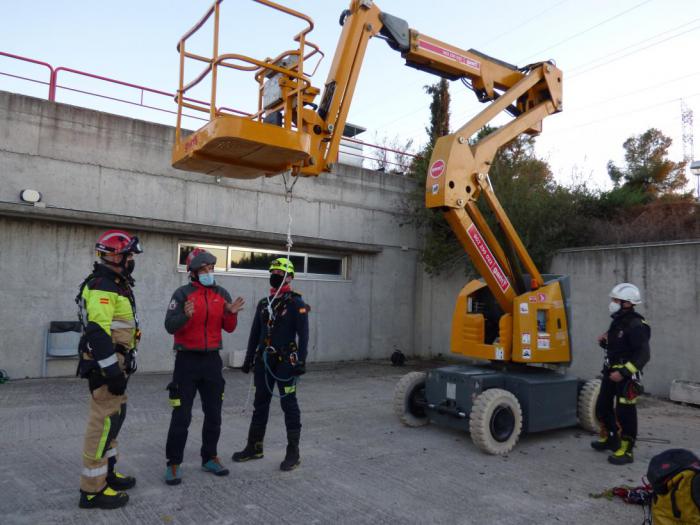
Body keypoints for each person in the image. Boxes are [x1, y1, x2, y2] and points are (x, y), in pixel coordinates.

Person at [163, 248, 245, 485]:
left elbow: (228, 328)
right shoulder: (182, 294)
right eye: (204, 269)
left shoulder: (221, 293)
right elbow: (170, 326)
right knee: (181, 416)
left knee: (214, 415)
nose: (209, 272)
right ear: (193, 272)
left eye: (211, 268)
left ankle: (210, 457)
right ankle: (174, 463)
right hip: (186, 362)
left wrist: (230, 314)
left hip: (212, 362)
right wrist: (185, 316)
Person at [77, 229, 143, 509]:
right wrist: (111, 372)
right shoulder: (104, 285)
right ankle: (92, 490)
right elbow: (98, 332)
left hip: (118, 362)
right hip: (108, 367)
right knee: (102, 424)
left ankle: (108, 473)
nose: (132, 260)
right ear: (117, 255)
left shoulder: (116, 283)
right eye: (129, 255)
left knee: (114, 420)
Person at [232, 257, 309, 471]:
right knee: (260, 404)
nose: (274, 276)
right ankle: (254, 446)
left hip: (286, 363)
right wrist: (248, 358)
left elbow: (304, 335)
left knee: (289, 405)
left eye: (279, 273)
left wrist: (301, 360)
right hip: (264, 362)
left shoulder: (296, 303)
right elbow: (255, 333)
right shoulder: (264, 303)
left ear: (289, 277)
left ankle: (293, 452)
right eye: (272, 273)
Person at [591, 282, 651, 465]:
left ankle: (627, 450)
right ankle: (611, 438)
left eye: (615, 300)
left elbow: (643, 355)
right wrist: (604, 341)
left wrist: (624, 372)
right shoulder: (618, 321)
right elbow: (618, 346)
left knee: (626, 413)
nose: (612, 302)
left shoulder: (636, 324)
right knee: (602, 406)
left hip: (626, 376)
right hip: (611, 372)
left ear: (627, 302)